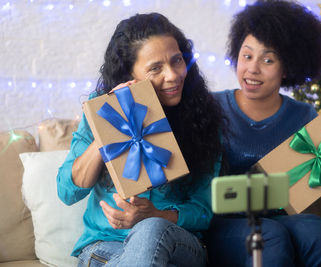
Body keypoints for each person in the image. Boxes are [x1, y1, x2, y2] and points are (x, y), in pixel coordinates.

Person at [57, 13, 225, 267]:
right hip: (107, 247)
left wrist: (155, 215)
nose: (173, 75)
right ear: (129, 73)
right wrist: (110, 125)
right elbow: (67, 192)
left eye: (176, 60)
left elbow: (204, 211)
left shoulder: (201, 116)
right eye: (156, 68)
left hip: (178, 244)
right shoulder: (102, 109)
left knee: (150, 229)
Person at [206, 1, 321, 266]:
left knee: (317, 230)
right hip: (223, 223)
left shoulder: (303, 116)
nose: (253, 68)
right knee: (269, 235)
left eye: (268, 60)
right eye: (247, 56)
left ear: (287, 67)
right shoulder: (210, 108)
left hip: (281, 216)